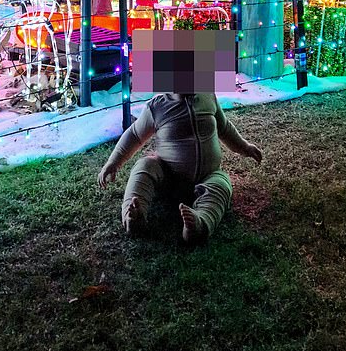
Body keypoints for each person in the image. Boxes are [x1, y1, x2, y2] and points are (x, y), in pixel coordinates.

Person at [97, 93, 262, 243]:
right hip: (168, 178)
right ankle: (133, 215)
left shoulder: (208, 97)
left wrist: (244, 147)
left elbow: (224, 128)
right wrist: (114, 161)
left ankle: (199, 223)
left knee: (222, 184)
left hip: (208, 175)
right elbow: (134, 135)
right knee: (144, 166)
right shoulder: (157, 107)